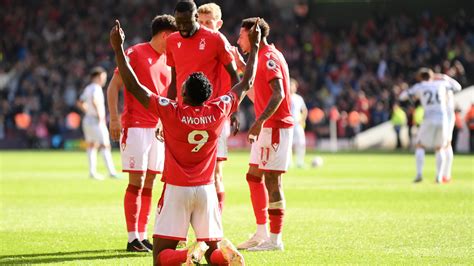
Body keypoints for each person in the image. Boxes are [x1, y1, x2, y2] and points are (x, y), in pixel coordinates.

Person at [110, 17, 261, 265]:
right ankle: (222, 256)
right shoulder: (218, 109)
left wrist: (118, 49)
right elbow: (246, 82)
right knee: (214, 253)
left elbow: (134, 86)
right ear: (208, 95)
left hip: (177, 189)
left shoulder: (171, 112)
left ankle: (187, 254)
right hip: (206, 190)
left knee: (160, 257)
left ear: (183, 92)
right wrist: (254, 47)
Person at [106, 15, 177, 252]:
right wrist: (115, 118)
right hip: (135, 126)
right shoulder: (136, 53)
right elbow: (113, 86)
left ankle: (142, 235)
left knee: (149, 182)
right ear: (166, 35)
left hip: (157, 129)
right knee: (135, 182)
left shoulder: (169, 61)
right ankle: (131, 237)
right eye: (174, 37)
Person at [235, 17, 293, 251]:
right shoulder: (260, 57)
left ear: (253, 35)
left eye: (241, 35)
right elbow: (256, 93)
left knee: (272, 180)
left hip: (275, 127)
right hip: (267, 128)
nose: (238, 40)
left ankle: (275, 240)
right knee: (253, 176)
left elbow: (277, 94)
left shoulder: (268, 57)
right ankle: (261, 233)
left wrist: (259, 122)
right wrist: (241, 65)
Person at [196, 2, 236, 213]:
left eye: (208, 22)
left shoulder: (223, 46)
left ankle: (216, 223)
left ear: (218, 23)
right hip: (192, 116)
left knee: (215, 172)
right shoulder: (195, 46)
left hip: (217, 116)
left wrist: (234, 110)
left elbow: (237, 79)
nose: (203, 27)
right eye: (200, 22)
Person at [399, 68, 461, 183]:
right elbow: (458, 87)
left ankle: (419, 174)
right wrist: (445, 77)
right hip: (443, 119)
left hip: (429, 118)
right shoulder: (441, 84)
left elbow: (402, 96)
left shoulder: (420, 86)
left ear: (420, 77)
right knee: (440, 148)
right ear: (432, 76)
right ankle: (439, 176)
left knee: (420, 145)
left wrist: (413, 93)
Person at [77, 66, 118, 180]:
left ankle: (92, 172)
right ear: (97, 77)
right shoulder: (96, 88)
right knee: (105, 145)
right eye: (103, 77)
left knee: (91, 145)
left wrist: (88, 111)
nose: (104, 79)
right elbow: (95, 100)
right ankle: (111, 172)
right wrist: (99, 114)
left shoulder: (88, 88)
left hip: (87, 120)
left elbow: (80, 102)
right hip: (96, 121)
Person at [434, 73, 462, 183]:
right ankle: (445, 175)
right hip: (445, 116)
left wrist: (446, 78)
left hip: (446, 117)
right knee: (446, 145)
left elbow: (458, 87)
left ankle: (442, 176)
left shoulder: (443, 85)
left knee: (442, 146)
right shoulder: (444, 86)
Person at [289, 78, 308, 167]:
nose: (291, 87)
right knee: (288, 144)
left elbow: (304, 110)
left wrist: (302, 120)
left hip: (297, 124)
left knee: (301, 142)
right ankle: (288, 162)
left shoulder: (299, 98)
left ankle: (300, 162)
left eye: (293, 85)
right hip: (288, 124)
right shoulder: (284, 96)